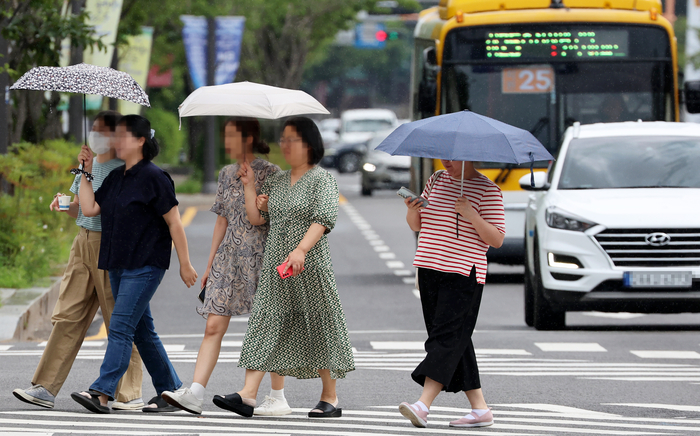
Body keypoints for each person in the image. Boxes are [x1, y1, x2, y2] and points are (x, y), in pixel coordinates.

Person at [212, 117, 354, 418]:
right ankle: (248, 395)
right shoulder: (277, 181)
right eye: (284, 140)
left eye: (293, 140)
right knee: (266, 323)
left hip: (310, 266)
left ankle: (330, 397)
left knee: (319, 326)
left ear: (310, 144)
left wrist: (301, 249)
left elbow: (324, 219)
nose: (285, 146)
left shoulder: (322, 179)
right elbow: (256, 218)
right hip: (278, 267)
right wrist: (251, 188)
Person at [12, 111, 144, 411]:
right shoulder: (89, 165)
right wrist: (63, 204)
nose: (94, 134)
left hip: (109, 247)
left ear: (115, 136)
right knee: (67, 315)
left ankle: (129, 393)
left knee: (120, 321)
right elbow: (79, 209)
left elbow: (107, 210)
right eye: (92, 129)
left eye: (100, 130)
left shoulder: (123, 169)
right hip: (82, 243)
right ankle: (44, 387)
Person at [70, 114, 198, 414]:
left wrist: (185, 263)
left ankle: (101, 392)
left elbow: (175, 223)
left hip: (145, 265)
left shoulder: (155, 178)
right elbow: (89, 208)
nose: (115, 141)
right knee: (142, 331)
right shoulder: (116, 177)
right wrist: (86, 172)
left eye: (122, 136)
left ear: (140, 140)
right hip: (117, 263)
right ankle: (172, 391)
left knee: (120, 326)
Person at [160, 118, 289, 416]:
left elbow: (261, 218)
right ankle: (196, 392)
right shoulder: (225, 173)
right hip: (228, 259)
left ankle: (277, 395)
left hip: (262, 259)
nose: (226, 141)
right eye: (225, 135)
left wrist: (250, 185)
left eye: (232, 135)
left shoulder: (273, 174)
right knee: (213, 325)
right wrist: (210, 264)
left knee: (266, 327)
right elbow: (222, 218)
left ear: (249, 138)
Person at [399, 160, 505, 429]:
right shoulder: (436, 180)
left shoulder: (488, 189)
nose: (446, 161)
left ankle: (423, 404)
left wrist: (472, 215)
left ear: (471, 156)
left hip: (463, 273)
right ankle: (480, 408)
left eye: (453, 157)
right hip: (429, 268)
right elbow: (417, 226)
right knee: (455, 339)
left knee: (445, 339)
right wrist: (412, 211)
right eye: (444, 155)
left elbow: (497, 239)